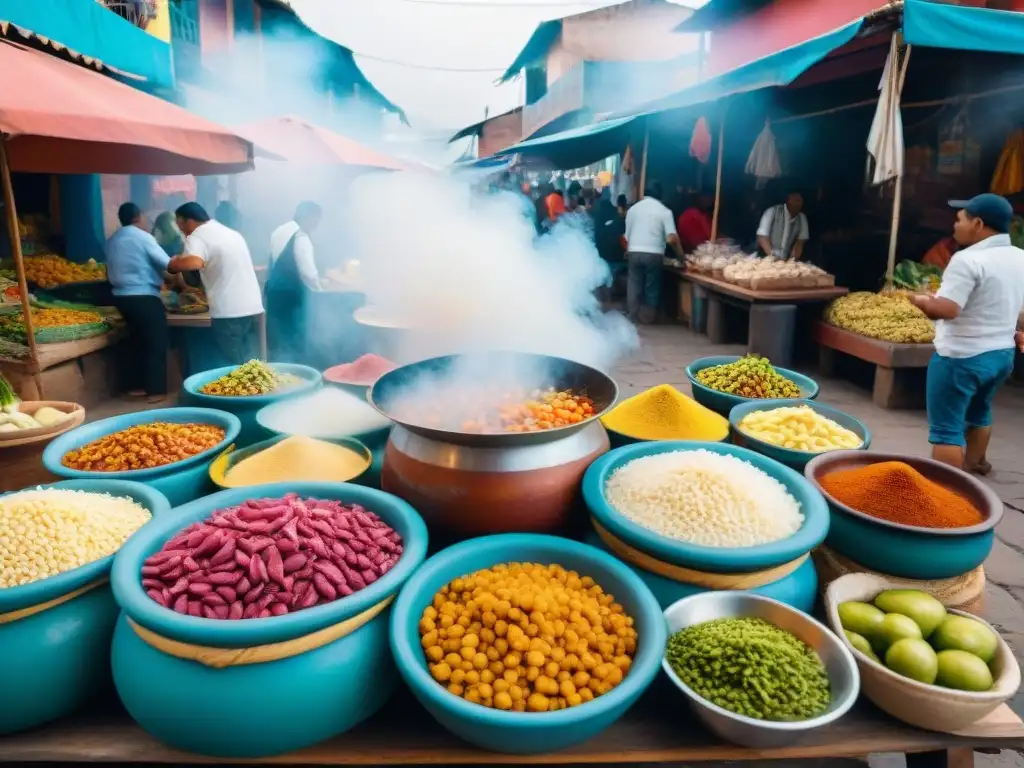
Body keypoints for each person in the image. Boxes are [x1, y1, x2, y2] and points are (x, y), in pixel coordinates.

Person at [909, 194, 1024, 473]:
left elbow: (947, 310)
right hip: (1000, 355)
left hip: (960, 358)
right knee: (979, 411)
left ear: (978, 224)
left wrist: (922, 301)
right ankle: (974, 467)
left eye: (960, 219)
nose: (954, 225)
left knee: (947, 430)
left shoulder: (967, 259)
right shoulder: (1020, 257)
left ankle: (946, 494)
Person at [169, 202, 264, 366]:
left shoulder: (197, 236)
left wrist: (173, 264)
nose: (182, 232)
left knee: (232, 366)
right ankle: (257, 391)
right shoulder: (231, 233)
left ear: (188, 221)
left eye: (181, 226)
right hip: (252, 307)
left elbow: (194, 263)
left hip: (228, 311)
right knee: (250, 364)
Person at [104, 202, 171, 402]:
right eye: (144, 216)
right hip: (144, 296)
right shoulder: (142, 237)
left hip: (119, 298)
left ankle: (135, 386)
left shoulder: (112, 239)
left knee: (135, 341)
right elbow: (167, 262)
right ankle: (156, 390)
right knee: (156, 341)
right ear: (137, 217)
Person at [266, 201, 324, 363]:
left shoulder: (279, 231)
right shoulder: (301, 236)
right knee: (294, 338)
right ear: (308, 217)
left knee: (277, 339)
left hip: (273, 293)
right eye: (317, 219)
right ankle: (296, 370)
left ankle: (278, 371)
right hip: (291, 296)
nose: (316, 224)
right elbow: (308, 273)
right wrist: (320, 291)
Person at [624, 180, 684, 324]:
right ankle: (647, 317)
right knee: (651, 285)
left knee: (634, 283)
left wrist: (627, 251)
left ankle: (632, 315)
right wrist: (681, 257)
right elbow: (672, 238)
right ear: (660, 195)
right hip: (654, 253)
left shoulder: (633, 210)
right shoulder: (664, 211)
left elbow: (626, 236)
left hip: (634, 251)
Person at [756, 189, 809, 260]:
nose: (799, 204)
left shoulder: (802, 218)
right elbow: (762, 237)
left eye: (800, 201)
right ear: (788, 200)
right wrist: (772, 257)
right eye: (796, 200)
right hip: (766, 258)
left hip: (786, 260)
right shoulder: (772, 211)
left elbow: (800, 243)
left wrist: (792, 260)